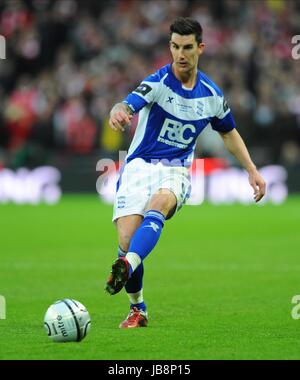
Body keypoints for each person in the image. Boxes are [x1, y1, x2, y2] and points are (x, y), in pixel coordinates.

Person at [105, 17, 266, 328]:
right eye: (175, 47)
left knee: (160, 205)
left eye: (187, 47)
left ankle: (126, 264)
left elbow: (229, 133)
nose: (180, 54)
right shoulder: (157, 83)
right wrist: (118, 111)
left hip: (176, 169)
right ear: (170, 46)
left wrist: (251, 169)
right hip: (139, 166)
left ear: (200, 48)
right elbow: (127, 103)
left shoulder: (211, 95)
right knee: (127, 239)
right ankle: (138, 307)